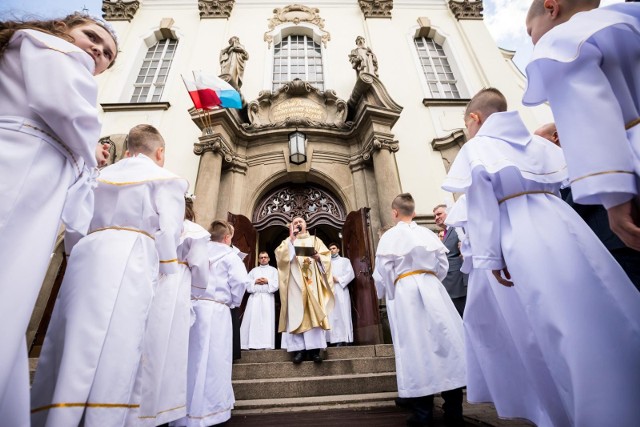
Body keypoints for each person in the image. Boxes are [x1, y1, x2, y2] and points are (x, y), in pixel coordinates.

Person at [442, 87, 640, 426]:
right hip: (563, 224)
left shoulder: (478, 147)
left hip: (518, 232)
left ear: (474, 119)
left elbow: (483, 207)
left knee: (542, 322)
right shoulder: (540, 144)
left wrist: (491, 257)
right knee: (588, 310)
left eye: (467, 124)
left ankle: (566, 408)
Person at [0, 13, 117, 425]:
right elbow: (62, 106)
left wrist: (86, 156)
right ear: (63, 29)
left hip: (38, 174)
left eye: (106, 54)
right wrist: (90, 150)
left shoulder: (55, 52)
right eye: (93, 38)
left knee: (11, 297)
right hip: (20, 167)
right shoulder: (51, 47)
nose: (98, 52)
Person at [31, 124, 187, 426]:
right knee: (121, 336)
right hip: (134, 252)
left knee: (74, 334)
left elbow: (74, 222)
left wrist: (77, 252)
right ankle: (106, 414)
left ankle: (60, 411)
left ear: (127, 150)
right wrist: (167, 268)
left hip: (88, 254)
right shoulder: (165, 180)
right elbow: (169, 232)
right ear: (160, 152)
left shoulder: (98, 176)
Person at [523, 0, 640, 251]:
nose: (532, 41)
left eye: (530, 32)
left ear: (551, 8)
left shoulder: (563, 41)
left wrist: (614, 197)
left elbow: (590, 114)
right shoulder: (629, 20)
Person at [373, 193, 465, 427]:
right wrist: (431, 281)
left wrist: (392, 292)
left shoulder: (390, 236)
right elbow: (443, 265)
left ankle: (422, 414)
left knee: (415, 347)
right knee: (447, 343)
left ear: (394, 213)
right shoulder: (427, 233)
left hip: (405, 292)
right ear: (413, 212)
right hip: (433, 287)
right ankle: (454, 410)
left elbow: (383, 271)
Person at [535, 122, 640, 292]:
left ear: (555, 137)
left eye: (539, 141)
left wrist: (557, 212)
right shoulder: (557, 167)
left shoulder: (579, 157)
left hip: (617, 240)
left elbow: (582, 195)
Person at [134, 196, 211, 425]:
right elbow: (199, 266)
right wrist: (197, 290)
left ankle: (139, 406)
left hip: (154, 282)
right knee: (173, 346)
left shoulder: (159, 229)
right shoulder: (194, 232)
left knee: (148, 343)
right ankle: (165, 408)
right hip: (177, 285)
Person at [176, 220, 250, 427]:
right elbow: (240, 282)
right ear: (227, 238)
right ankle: (211, 412)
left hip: (192, 307)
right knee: (215, 359)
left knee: (191, 359)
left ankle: (183, 411)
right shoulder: (229, 255)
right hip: (217, 310)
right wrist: (234, 303)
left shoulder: (197, 250)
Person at [275, 216, 334, 364]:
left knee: (313, 313)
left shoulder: (315, 240)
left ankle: (314, 351)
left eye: (300, 222)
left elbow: (327, 258)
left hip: (312, 283)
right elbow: (281, 258)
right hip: (295, 284)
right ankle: (299, 350)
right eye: (295, 222)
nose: (298, 224)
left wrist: (318, 257)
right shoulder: (287, 242)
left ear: (306, 225)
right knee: (296, 314)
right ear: (291, 227)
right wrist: (291, 241)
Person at [433, 204, 468, 317]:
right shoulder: (445, 233)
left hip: (459, 283)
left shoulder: (457, 228)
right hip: (449, 284)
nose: (436, 218)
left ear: (449, 213)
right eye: (434, 216)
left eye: (439, 214)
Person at [240, 251, 279, 350]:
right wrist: (255, 281)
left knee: (266, 321)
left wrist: (267, 281)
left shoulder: (274, 270)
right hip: (255, 298)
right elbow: (246, 283)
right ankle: (252, 344)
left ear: (269, 259)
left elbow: (277, 284)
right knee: (253, 320)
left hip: (267, 297)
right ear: (258, 259)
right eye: (261, 257)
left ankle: (266, 344)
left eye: (265, 257)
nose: (263, 259)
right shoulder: (253, 271)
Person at [325, 242, 355, 347]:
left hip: (341, 289)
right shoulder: (327, 263)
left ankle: (346, 338)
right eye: (330, 249)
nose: (332, 250)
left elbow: (351, 274)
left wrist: (339, 279)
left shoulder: (345, 261)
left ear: (338, 250)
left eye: (333, 248)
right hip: (331, 290)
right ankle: (336, 339)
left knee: (343, 313)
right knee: (333, 315)